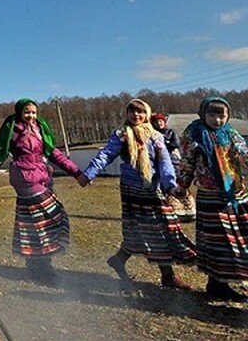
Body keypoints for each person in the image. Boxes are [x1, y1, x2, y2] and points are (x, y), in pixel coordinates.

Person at [82, 99, 195, 290]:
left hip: (153, 189)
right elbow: (106, 154)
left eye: (141, 112)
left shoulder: (156, 136)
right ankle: (167, 275)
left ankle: (120, 260)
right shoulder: (121, 135)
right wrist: (89, 173)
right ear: (126, 114)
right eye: (132, 111)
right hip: (132, 190)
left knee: (161, 228)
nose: (137, 115)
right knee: (142, 230)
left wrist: (170, 186)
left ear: (147, 115)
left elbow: (164, 162)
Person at [0, 99, 88, 285]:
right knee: (48, 218)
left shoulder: (40, 128)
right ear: (19, 113)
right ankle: (43, 268)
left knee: (35, 225)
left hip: (42, 177)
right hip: (25, 179)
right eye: (27, 112)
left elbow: (54, 153)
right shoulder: (12, 129)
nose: (31, 116)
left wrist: (76, 173)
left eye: (33, 112)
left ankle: (37, 266)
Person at [177, 96, 248, 302]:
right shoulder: (194, 134)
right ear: (203, 114)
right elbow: (187, 163)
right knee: (215, 241)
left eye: (221, 115)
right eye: (212, 114)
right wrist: (181, 186)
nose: (217, 120)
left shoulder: (231, 133)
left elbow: (244, 153)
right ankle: (217, 285)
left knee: (237, 239)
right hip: (209, 196)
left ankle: (226, 280)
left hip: (235, 194)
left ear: (228, 116)